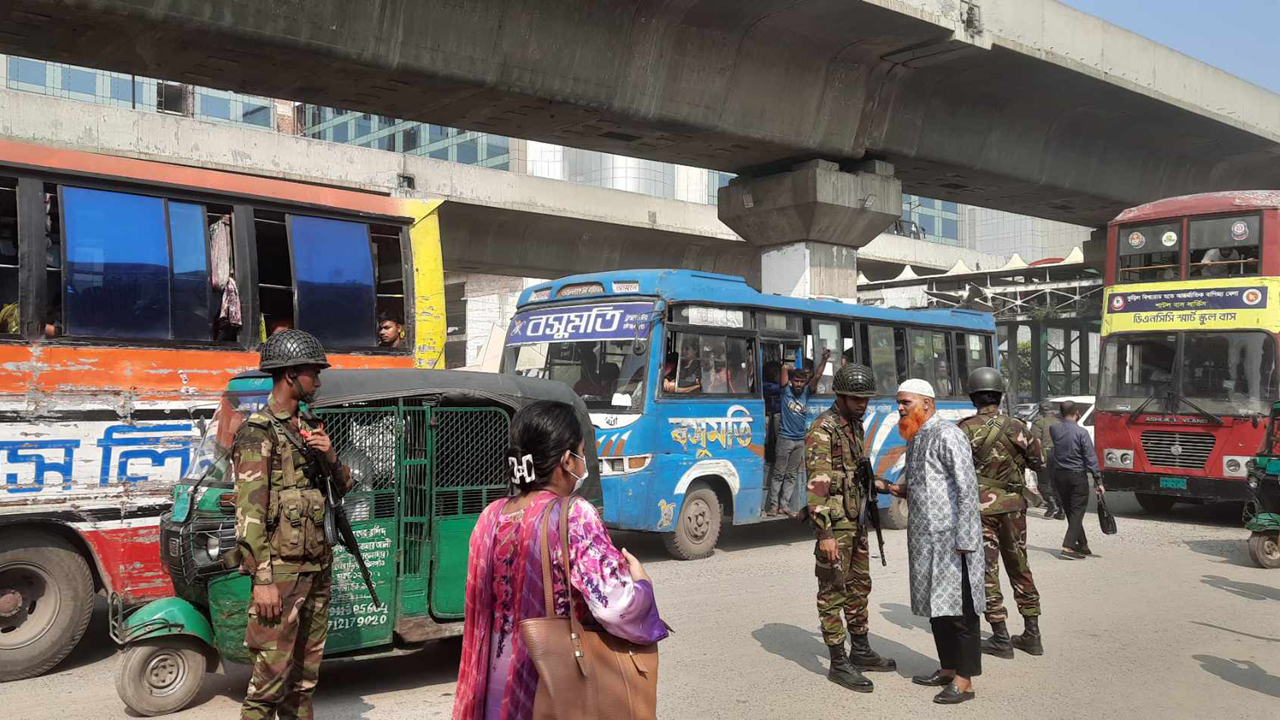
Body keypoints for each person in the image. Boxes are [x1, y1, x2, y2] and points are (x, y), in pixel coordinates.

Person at [451, 400, 669, 720]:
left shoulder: (491, 516)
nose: (583, 463)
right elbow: (616, 606)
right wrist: (641, 584)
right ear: (567, 460)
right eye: (581, 453)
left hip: (491, 690)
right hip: (546, 687)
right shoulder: (572, 515)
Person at [233, 329, 353, 720]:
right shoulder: (258, 432)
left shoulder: (310, 427)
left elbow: (344, 487)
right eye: (312, 373)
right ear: (289, 375)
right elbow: (249, 515)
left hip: (317, 567)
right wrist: (263, 580)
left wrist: (330, 456)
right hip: (280, 574)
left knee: (303, 683)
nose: (317, 381)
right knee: (268, 684)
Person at [878, 379, 984, 705]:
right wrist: (891, 487)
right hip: (925, 540)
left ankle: (965, 681)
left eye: (905, 402)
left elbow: (966, 487)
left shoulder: (948, 434)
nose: (899, 408)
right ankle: (948, 668)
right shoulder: (917, 436)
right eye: (898, 402)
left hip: (953, 540)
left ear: (927, 402)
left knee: (961, 611)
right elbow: (923, 485)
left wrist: (966, 537)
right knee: (938, 609)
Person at [805, 363, 896, 694]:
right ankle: (838, 661)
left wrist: (886, 486)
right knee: (833, 590)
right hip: (835, 524)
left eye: (866, 399)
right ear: (840, 397)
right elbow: (817, 485)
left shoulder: (854, 426)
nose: (863, 404)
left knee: (859, 586)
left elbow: (856, 471)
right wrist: (825, 534)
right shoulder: (823, 430)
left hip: (855, 520)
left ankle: (860, 649)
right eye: (857, 399)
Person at [956, 368, 1045, 660]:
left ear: (973, 397)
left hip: (980, 510)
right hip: (1014, 507)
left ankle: (1001, 636)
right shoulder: (1018, 427)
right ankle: (1032, 634)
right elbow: (1039, 462)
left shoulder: (964, 429)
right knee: (1020, 565)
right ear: (1000, 395)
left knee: (986, 570)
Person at [768, 349, 831, 517]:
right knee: (779, 473)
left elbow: (817, 376)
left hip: (799, 441)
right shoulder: (785, 391)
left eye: (802, 381)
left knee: (791, 475)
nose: (798, 384)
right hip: (785, 439)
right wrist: (794, 369)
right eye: (796, 381)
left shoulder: (806, 393)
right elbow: (784, 369)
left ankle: (784, 505)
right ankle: (773, 506)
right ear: (791, 381)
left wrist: (824, 359)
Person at [1049, 400, 1104, 560]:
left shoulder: (1054, 429)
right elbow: (1090, 457)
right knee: (1078, 511)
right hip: (1077, 475)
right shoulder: (1082, 432)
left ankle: (1083, 545)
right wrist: (1098, 480)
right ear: (1077, 413)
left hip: (1059, 475)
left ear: (1061, 413)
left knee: (1071, 511)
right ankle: (1068, 547)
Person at [1031, 399, 1064, 519]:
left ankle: (1051, 503)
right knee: (1057, 483)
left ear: (1041, 410)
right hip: (1059, 455)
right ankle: (1061, 510)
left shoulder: (1038, 422)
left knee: (1043, 483)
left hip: (1045, 454)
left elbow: (1037, 441)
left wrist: (1039, 456)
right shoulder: (1059, 422)